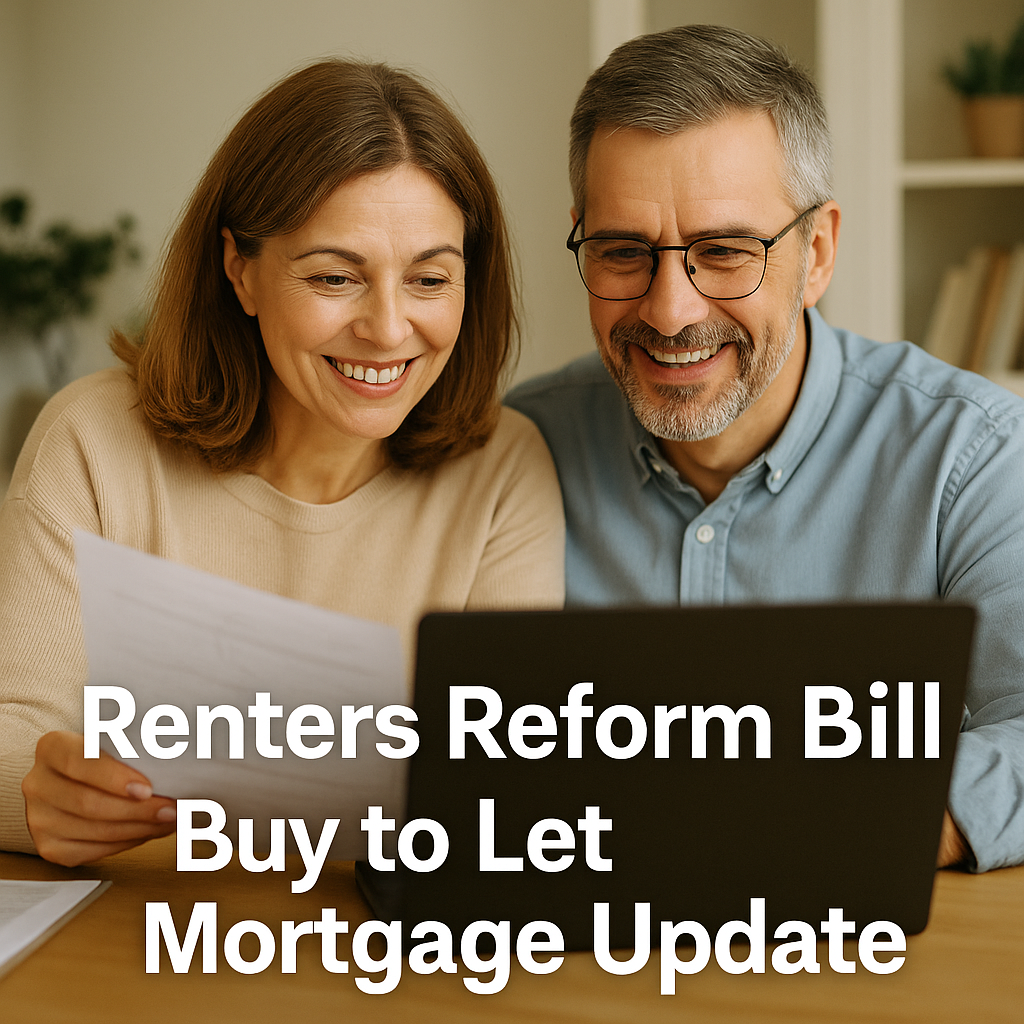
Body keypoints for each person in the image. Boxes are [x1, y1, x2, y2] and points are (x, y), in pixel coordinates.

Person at [0, 60, 564, 866]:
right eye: (335, 277)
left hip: (382, 955)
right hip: (148, 936)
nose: (388, 327)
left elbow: (511, 791)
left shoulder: (503, 469)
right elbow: (12, 735)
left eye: (431, 278)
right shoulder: (94, 439)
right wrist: (38, 793)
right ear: (240, 270)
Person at [507, 24, 1024, 873]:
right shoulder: (517, 451)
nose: (670, 311)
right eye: (624, 252)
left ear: (815, 253)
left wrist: (800, 822)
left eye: (723, 252)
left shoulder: (974, 458)